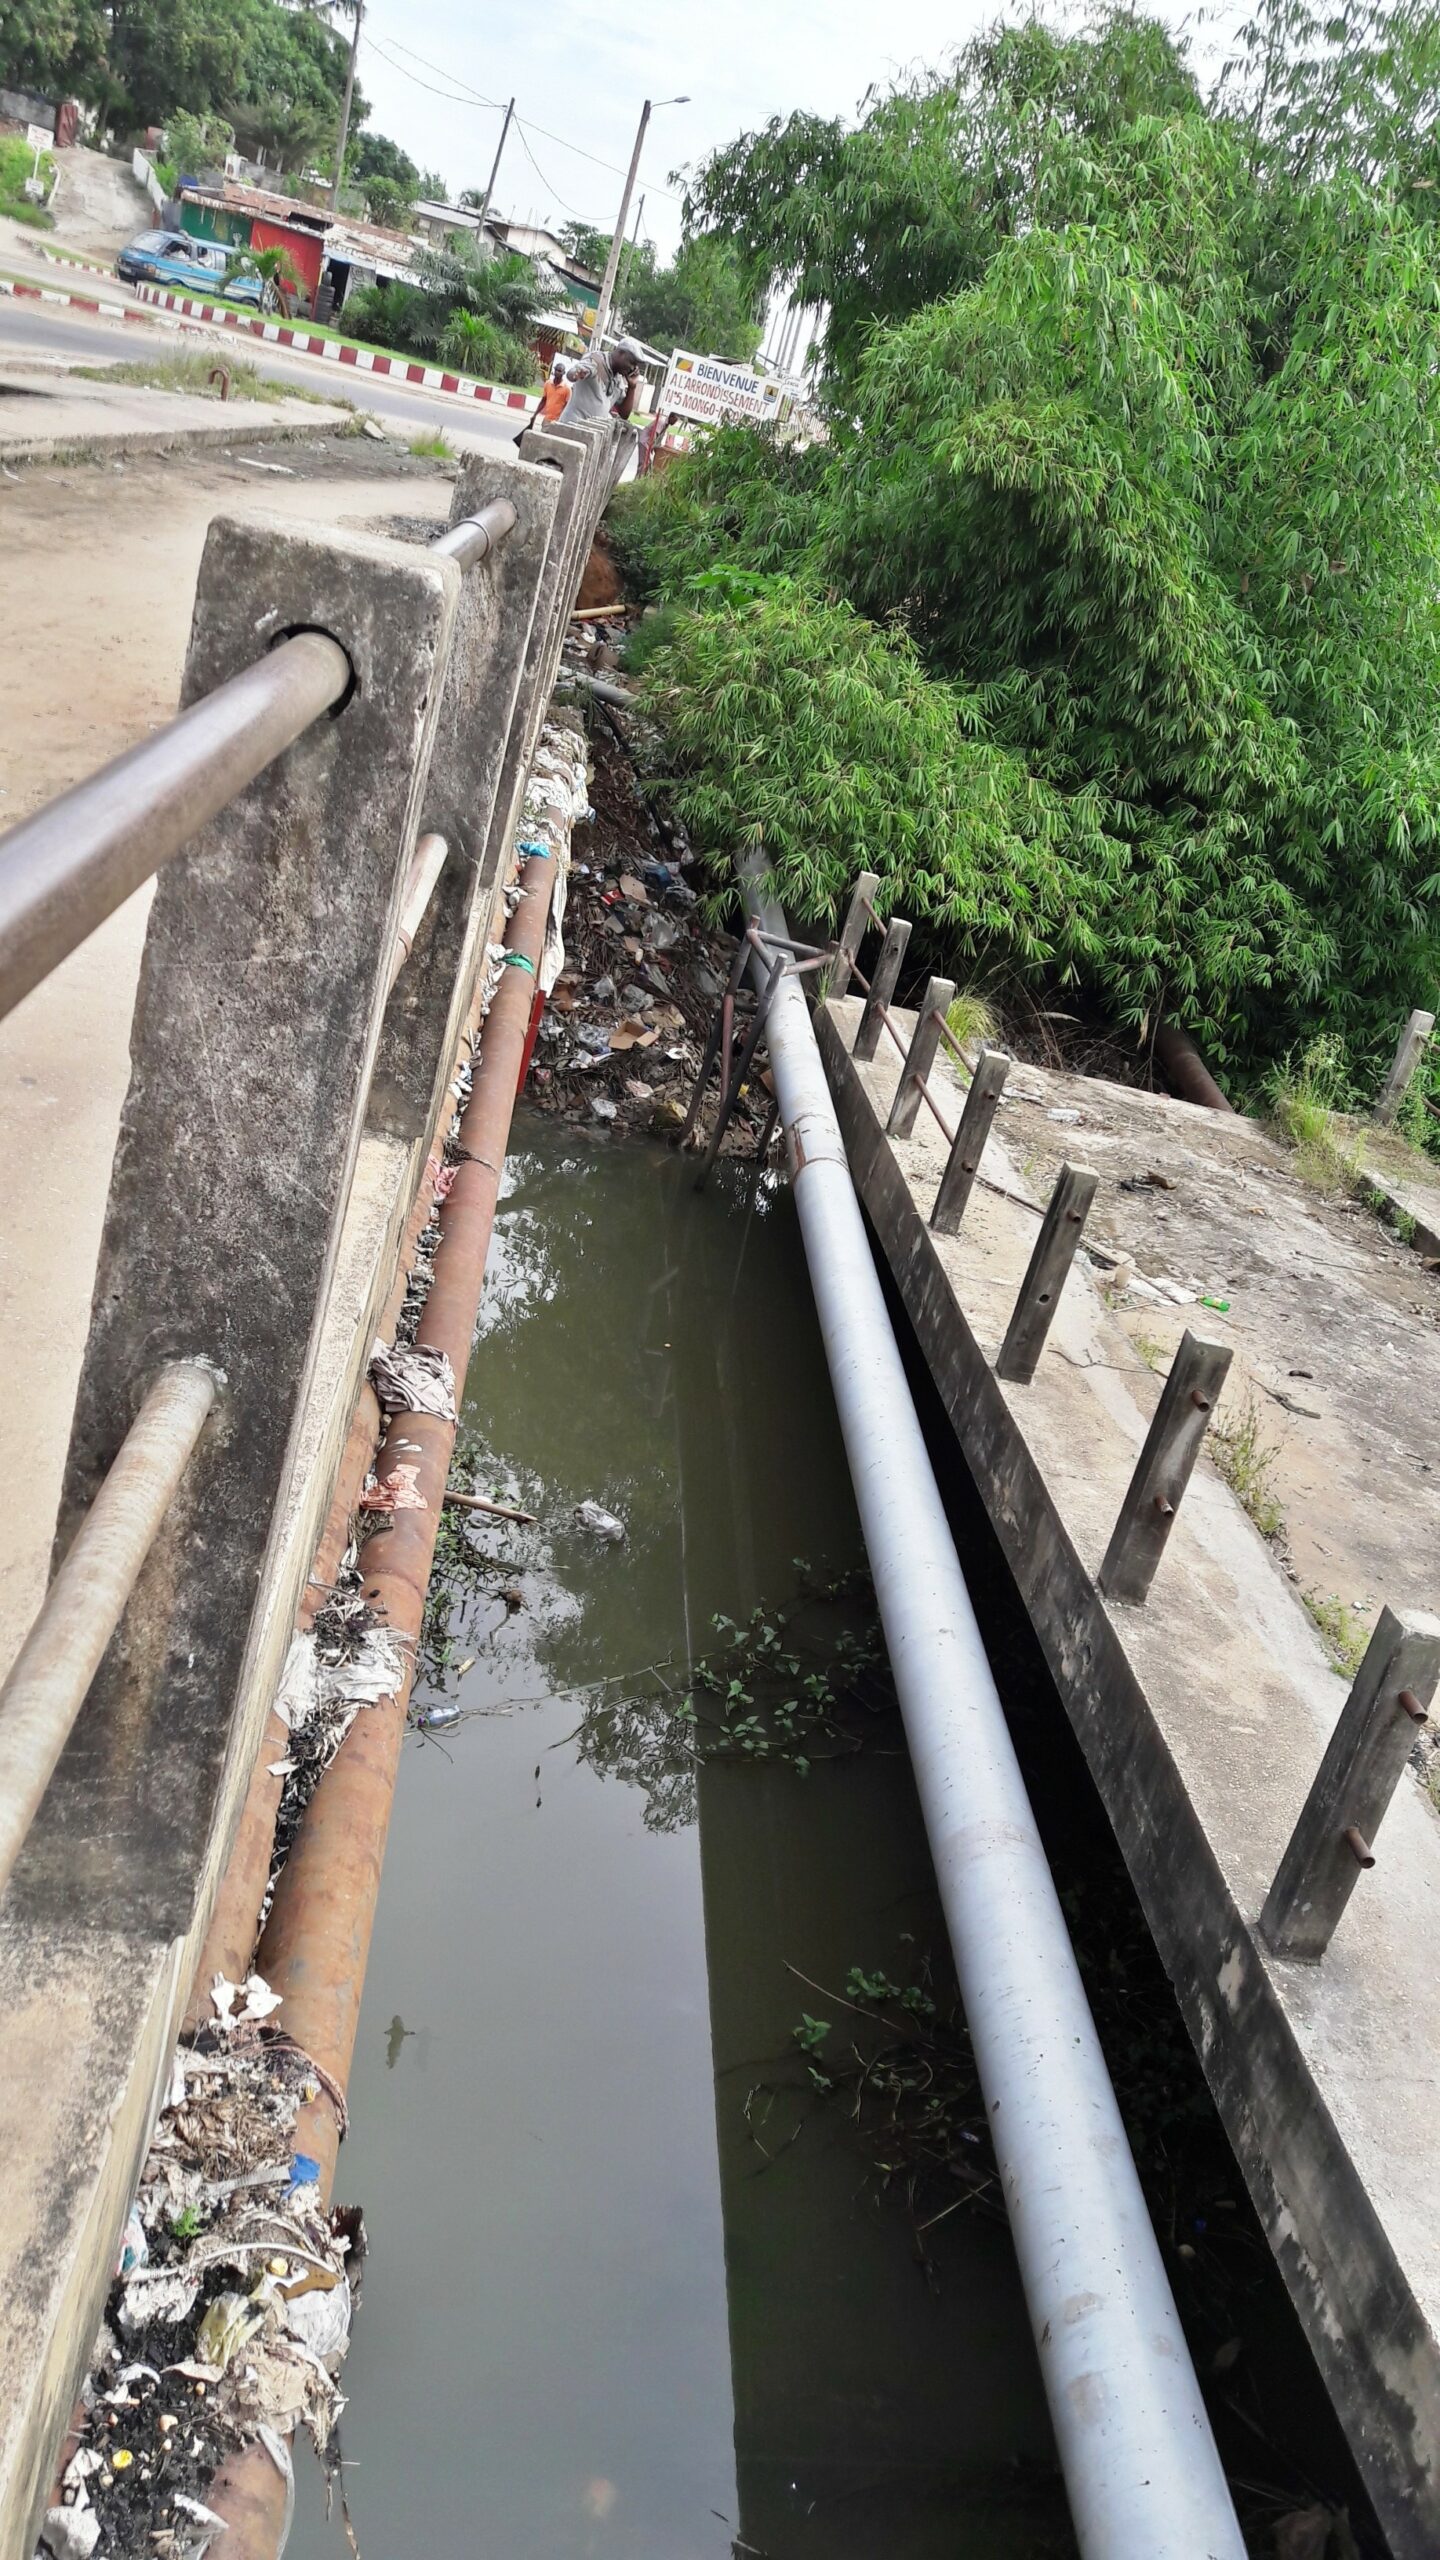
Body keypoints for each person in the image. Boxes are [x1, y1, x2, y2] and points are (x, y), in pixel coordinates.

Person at [559, 337, 643, 423]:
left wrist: (632, 387)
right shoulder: (596, 360)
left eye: (635, 366)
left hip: (590, 430)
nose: (633, 368)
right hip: (570, 426)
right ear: (621, 353)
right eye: (632, 362)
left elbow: (624, 414)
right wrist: (577, 373)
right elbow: (572, 374)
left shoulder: (618, 380)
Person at [537, 352, 572, 424]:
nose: (557, 372)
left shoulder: (567, 389)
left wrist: (560, 420)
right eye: (556, 370)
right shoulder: (548, 384)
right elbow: (543, 400)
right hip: (547, 420)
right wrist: (535, 414)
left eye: (559, 371)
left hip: (557, 422)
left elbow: (567, 407)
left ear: (563, 373)